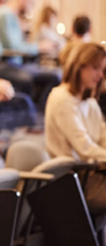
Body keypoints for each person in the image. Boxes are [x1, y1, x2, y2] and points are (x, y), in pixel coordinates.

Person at [45, 42, 106, 210]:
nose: (100, 75)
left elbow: (102, 138)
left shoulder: (89, 101)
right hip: (72, 181)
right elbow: (84, 148)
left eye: (102, 70)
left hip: (90, 173)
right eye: (96, 68)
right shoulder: (61, 99)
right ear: (79, 67)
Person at [0, 0, 61, 108]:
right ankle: (35, 114)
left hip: (6, 62)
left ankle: (37, 113)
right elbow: (14, 47)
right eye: (31, 3)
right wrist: (39, 47)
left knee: (54, 75)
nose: (32, 8)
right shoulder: (5, 14)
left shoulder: (9, 15)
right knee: (31, 78)